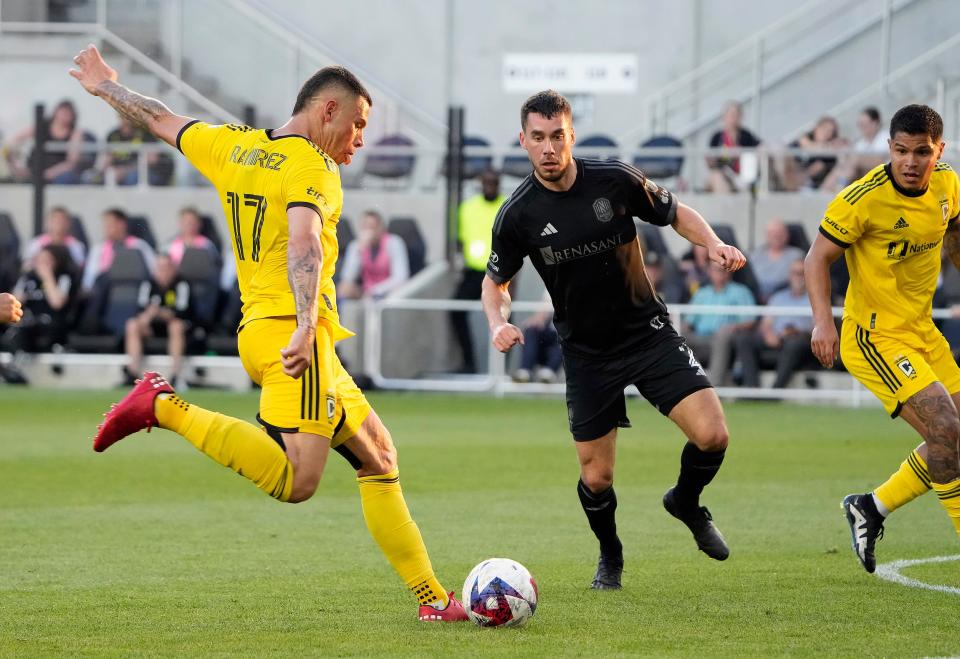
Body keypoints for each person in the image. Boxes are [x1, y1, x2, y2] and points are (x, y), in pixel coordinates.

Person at [71, 44, 467, 621]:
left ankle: (433, 601)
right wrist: (307, 327)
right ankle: (161, 406)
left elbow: (158, 116)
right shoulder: (314, 166)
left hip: (266, 328)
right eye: (356, 124)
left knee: (379, 455)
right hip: (292, 335)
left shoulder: (234, 145)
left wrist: (107, 86)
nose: (359, 139)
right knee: (297, 480)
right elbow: (303, 240)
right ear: (326, 111)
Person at [481, 90, 746, 590]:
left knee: (713, 436)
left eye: (557, 135)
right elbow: (495, 282)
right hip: (586, 355)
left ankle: (685, 501)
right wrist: (499, 323)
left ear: (571, 135)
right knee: (597, 477)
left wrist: (713, 244)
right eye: (537, 138)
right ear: (524, 141)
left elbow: (676, 212)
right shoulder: (518, 214)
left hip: (647, 334)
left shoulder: (615, 180)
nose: (549, 148)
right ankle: (611, 554)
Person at [805, 104, 960, 574]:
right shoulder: (860, 200)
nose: (910, 162)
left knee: (953, 437)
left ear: (939, 151)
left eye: (921, 152)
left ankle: (870, 507)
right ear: (889, 147)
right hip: (873, 336)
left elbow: (954, 230)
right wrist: (822, 322)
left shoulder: (949, 184)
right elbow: (817, 260)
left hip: (922, 332)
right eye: (900, 151)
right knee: (947, 432)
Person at [452, 169, 505, 372]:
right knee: (456, 311)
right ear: (480, 183)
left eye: (493, 183)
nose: (489, 186)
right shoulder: (467, 208)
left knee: (506, 317)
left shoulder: (506, 205)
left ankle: (501, 371)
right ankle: (469, 363)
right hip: (474, 273)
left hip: (501, 274)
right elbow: (461, 240)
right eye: (486, 182)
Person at [733, 258, 813, 388]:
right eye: (795, 273)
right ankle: (752, 390)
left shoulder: (814, 298)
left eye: (801, 273)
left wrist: (795, 332)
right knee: (744, 339)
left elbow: (817, 327)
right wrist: (768, 334)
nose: (798, 277)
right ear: (789, 275)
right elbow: (766, 323)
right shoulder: (778, 297)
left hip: (798, 339)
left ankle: (775, 392)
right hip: (775, 336)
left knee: (794, 343)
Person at [123, 254, 192, 387]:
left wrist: (159, 312)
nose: (163, 272)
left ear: (173, 269)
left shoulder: (181, 284)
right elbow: (140, 309)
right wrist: (147, 315)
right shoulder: (148, 284)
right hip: (152, 328)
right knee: (132, 325)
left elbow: (182, 311)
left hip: (174, 328)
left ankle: (175, 375)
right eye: (160, 268)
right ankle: (132, 373)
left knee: (176, 326)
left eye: (167, 268)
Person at [683, 262, 757, 385]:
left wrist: (733, 327)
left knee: (722, 335)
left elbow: (750, 321)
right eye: (715, 270)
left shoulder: (740, 291)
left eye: (723, 270)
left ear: (730, 271)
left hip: (728, 337)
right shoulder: (702, 293)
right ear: (709, 272)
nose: (719, 273)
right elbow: (689, 321)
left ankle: (713, 387)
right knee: (678, 337)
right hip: (701, 337)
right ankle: (687, 386)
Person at [5, 244, 78, 353]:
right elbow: (12, 303)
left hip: (51, 324)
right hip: (27, 323)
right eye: (39, 260)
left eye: (47, 261)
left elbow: (57, 303)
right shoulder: (28, 278)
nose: (42, 264)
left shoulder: (63, 278)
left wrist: (47, 277)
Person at [5, 99, 84, 184]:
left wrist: (49, 173)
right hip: (34, 169)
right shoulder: (41, 125)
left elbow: (71, 162)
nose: (64, 116)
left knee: (68, 179)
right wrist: (14, 161)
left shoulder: (75, 133)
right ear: (55, 112)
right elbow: (16, 139)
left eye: (68, 114)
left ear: (73, 116)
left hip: (58, 174)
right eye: (62, 112)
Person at [338, 210, 410, 299]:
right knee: (344, 288)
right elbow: (347, 277)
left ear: (381, 228)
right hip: (365, 292)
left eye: (372, 227)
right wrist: (359, 252)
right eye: (365, 227)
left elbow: (401, 278)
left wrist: (376, 290)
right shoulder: (356, 245)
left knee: (398, 291)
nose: (368, 231)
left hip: (388, 291)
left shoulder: (394, 243)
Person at [82, 207, 156, 291]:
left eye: (110, 225)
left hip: (134, 289)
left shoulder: (139, 246)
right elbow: (90, 277)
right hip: (105, 292)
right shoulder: (98, 248)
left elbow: (153, 271)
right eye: (105, 225)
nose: (106, 229)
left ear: (122, 224)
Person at [822, 107, 888, 191]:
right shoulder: (861, 142)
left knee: (855, 159)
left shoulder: (885, 137)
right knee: (842, 166)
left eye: (864, 124)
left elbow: (882, 160)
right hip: (863, 172)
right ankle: (823, 191)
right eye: (860, 124)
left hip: (881, 170)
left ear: (875, 123)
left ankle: (839, 188)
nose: (861, 127)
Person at [777, 116, 848, 191]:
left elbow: (815, 169)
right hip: (791, 180)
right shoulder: (802, 141)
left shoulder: (829, 153)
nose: (826, 133)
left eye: (831, 131)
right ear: (816, 128)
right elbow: (804, 145)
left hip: (812, 186)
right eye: (824, 128)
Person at [706, 101, 761, 193]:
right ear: (724, 117)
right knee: (716, 177)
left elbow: (759, 146)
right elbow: (711, 161)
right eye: (731, 115)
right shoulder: (717, 137)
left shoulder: (746, 135)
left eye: (736, 115)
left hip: (743, 176)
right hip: (725, 174)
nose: (733, 119)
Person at [103, 114, 173, 186]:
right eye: (122, 115)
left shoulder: (145, 133)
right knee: (105, 177)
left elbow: (152, 160)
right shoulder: (113, 135)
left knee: (132, 178)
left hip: (146, 172)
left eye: (127, 115)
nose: (125, 119)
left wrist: (125, 170)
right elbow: (107, 160)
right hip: (119, 171)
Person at [747, 219, 805, 302]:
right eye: (772, 233)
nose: (776, 236)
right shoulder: (754, 255)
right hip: (756, 297)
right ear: (766, 235)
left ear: (787, 235)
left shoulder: (797, 255)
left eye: (780, 232)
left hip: (785, 298)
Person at [513, 292, 561, 384]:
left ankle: (548, 372)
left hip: (564, 334)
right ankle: (525, 371)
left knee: (563, 337)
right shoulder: (553, 282)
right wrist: (536, 320)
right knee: (531, 329)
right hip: (549, 332)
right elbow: (543, 310)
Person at [24, 205, 86, 270]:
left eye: (61, 221)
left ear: (68, 223)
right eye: (55, 220)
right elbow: (26, 267)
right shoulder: (36, 243)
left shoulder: (76, 245)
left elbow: (79, 268)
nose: (58, 224)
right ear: (47, 222)